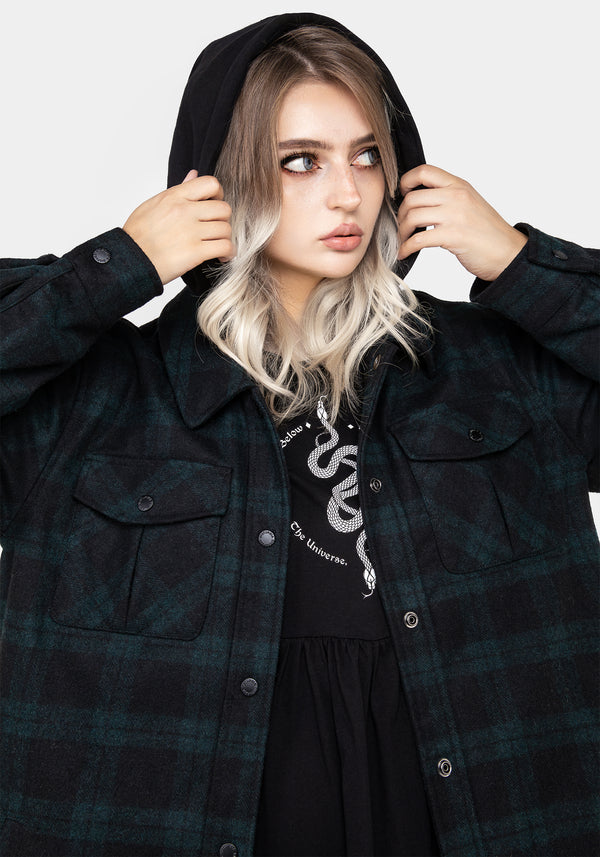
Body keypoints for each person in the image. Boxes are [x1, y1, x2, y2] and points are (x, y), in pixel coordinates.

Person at [0, 11, 598, 857]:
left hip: (473, 805)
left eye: (367, 155)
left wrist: (521, 265)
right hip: (196, 811)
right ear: (218, 183)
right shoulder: (97, 395)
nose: (348, 193)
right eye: (300, 162)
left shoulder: (495, 368)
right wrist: (116, 268)